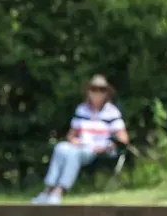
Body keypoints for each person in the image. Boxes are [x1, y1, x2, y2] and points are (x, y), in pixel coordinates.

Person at [32, 74, 130, 204]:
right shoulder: (81, 109)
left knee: (73, 153)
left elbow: (123, 139)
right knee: (60, 148)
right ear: (88, 92)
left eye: (101, 90)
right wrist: (74, 141)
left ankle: (59, 191)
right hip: (80, 144)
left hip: (99, 149)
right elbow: (71, 135)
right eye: (94, 89)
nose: (97, 93)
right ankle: (48, 189)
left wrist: (107, 146)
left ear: (106, 93)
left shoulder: (112, 112)